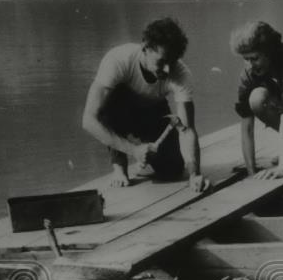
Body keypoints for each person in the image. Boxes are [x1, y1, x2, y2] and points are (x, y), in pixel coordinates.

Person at [82, 17, 210, 192]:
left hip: (153, 111)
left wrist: (195, 173)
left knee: (172, 171)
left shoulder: (181, 73)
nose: (167, 70)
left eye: (171, 63)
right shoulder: (119, 59)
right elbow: (89, 120)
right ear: (145, 47)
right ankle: (119, 166)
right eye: (161, 61)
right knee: (108, 103)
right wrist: (133, 150)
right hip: (119, 109)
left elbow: (187, 130)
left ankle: (146, 151)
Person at [230, 21, 283, 179]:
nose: (249, 65)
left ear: (269, 51)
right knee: (256, 98)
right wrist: (251, 171)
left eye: (254, 58)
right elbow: (246, 125)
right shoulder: (249, 72)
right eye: (245, 59)